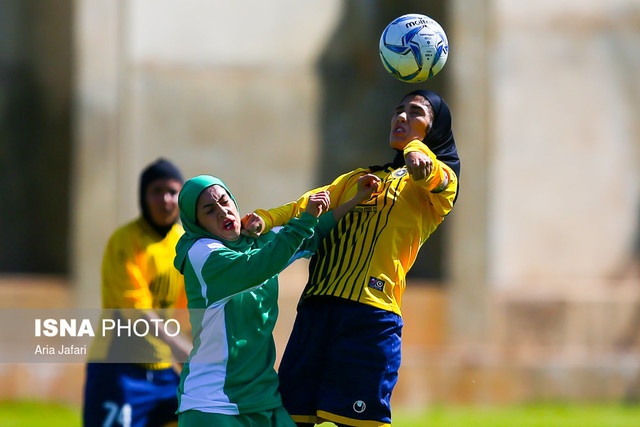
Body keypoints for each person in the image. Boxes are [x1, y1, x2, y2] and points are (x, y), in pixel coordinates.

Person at [243, 89, 460, 427]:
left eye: (415, 112)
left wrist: (417, 149)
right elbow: (304, 205)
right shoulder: (357, 178)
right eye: (398, 109)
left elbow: (432, 174)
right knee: (288, 420)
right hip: (316, 311)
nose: (401, 117)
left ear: (435, 129)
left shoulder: (436, 187)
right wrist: (264, 219)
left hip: (370, 319)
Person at [173, 173, 379, 427]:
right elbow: (257, 267)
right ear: (198, 224)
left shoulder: (257, 241)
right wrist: (305, 220)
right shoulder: (200, 254)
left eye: (225, 202)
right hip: (212, 404)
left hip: (263, 400)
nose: (222, 212)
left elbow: (314, 232)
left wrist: (357, 198)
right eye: (209, 210)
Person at [83, 158, 192, 427]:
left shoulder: (184, 244)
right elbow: (136, 310)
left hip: (163, 371)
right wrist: (183, 349)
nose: (165, 200)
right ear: (143, 196)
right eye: (156, 191)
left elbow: (189, 313)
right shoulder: (125, 241)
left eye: (172, 191)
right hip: (118, 369)